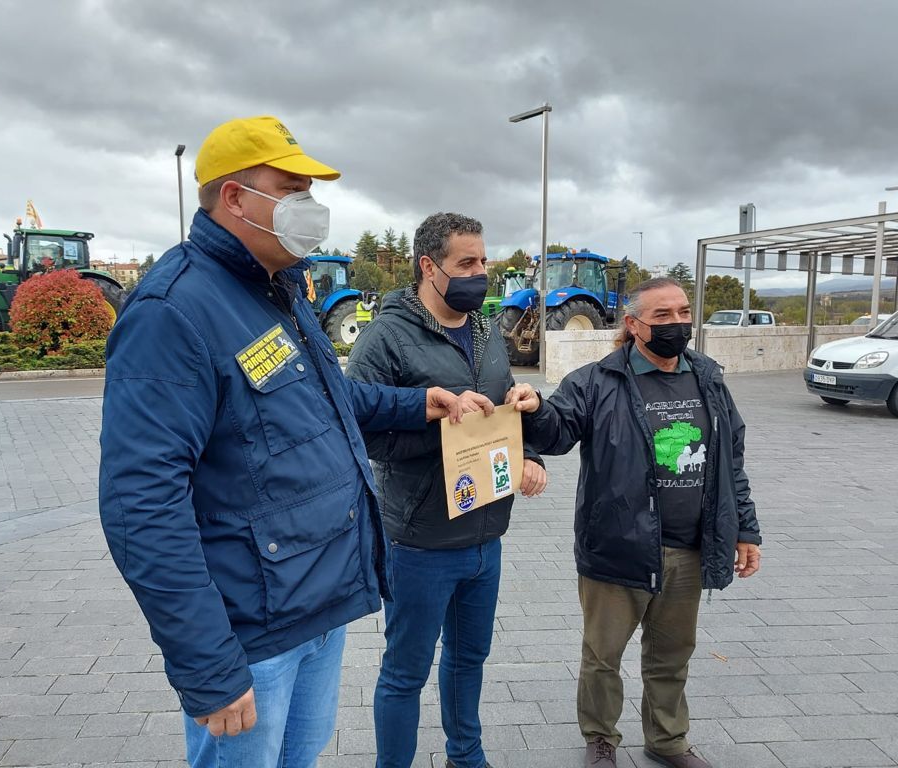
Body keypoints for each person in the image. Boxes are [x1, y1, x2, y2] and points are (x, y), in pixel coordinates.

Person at [98, 115, 490, 768]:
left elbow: (328, 399)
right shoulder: (175, 311)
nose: (309, 207)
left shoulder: (279, 289)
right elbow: (139, 505)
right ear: (234, 198)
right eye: (292, 189)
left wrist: (420, 403)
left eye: (311, 190)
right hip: (251, 636)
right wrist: (207, 665)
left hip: (316, 607)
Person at [507, 277, 761, 768]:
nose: (676, 323)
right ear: (633, 325)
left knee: (671, 656)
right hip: (618, 546)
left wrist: (745, 529)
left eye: (683, 311)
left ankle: (667, 741)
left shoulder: (708, 376)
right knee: (603, 657)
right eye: (662, 315)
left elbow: (732, 460)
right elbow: (558, 432)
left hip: (689, 548)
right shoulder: (596, 380)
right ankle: (600, 739)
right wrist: (537, 407)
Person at [346, 212, 548, 768]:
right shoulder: (385, 338)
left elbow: (502, 407)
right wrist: (440, 428)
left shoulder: (486, 331)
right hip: (420, 540)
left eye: (483, 261)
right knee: (405, 672)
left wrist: (526, 451)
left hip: (486, 534)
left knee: (468, 661)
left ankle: (467, 756)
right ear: (428, 267)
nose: (479, 274)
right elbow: (361, 432)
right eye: (467, 263)